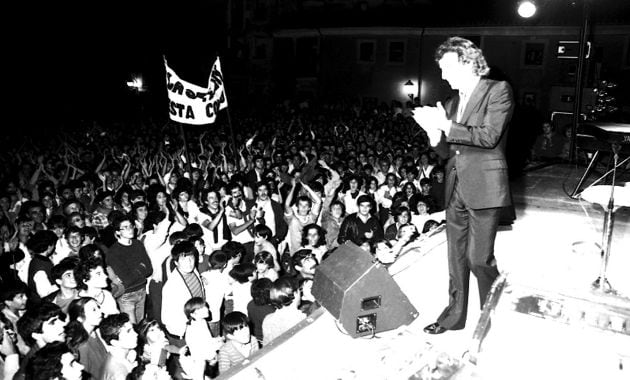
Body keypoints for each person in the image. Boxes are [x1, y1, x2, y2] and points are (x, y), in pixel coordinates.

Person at [411, 37, 514, 335]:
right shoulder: (452, 102)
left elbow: (488, 137)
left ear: (468, 62)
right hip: (455, 187)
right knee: (455, 259)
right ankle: (453, 318)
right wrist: (433, 135)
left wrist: (445, 126)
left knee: (478, 259)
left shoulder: (497, 90)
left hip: (485, 186)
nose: (442, 75)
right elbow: (448, 151)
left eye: (446, 67)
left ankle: (490, 314)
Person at [107, 215, 153, 324]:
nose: (130, 229)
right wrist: (141, 267)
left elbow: (149, 269)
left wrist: (136, 271)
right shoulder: (113, 252)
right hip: (127, 295)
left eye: (131, 226)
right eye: (125, 227)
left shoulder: (137, 244)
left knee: (142, 325)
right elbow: (127, 279)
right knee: (131, 328)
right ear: (118, 232)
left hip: (141, 290)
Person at [161, 242, 205, 347]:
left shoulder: (193, 270)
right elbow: (166, 317)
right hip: (182, 332)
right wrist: (185, 331)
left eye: (191, 258)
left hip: (197, 323)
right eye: (184, 260)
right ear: (176, 263)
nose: (189, 263)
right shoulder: (171, 286)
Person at [65, 297, 108, 379]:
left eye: (98, 307)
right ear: (80, 318)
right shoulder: (82, 346)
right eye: (94, 310)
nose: (100, 312)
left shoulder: (93, 333)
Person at [183, 297, 222, 380]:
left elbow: (207, 341)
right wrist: (218, 345)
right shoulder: (193, 329)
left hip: (208, 360)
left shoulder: (202, 321)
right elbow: (202, 350)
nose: (206, 309)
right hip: (199, 364)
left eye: (205, 306)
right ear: (192, 314)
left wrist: (216, 340)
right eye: (201, 308)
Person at [99, 313, 139, 380]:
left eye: (133, 329)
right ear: (115, 342)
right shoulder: (120, 374)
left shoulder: (116, 356)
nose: (136, 334)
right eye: (128, 331)